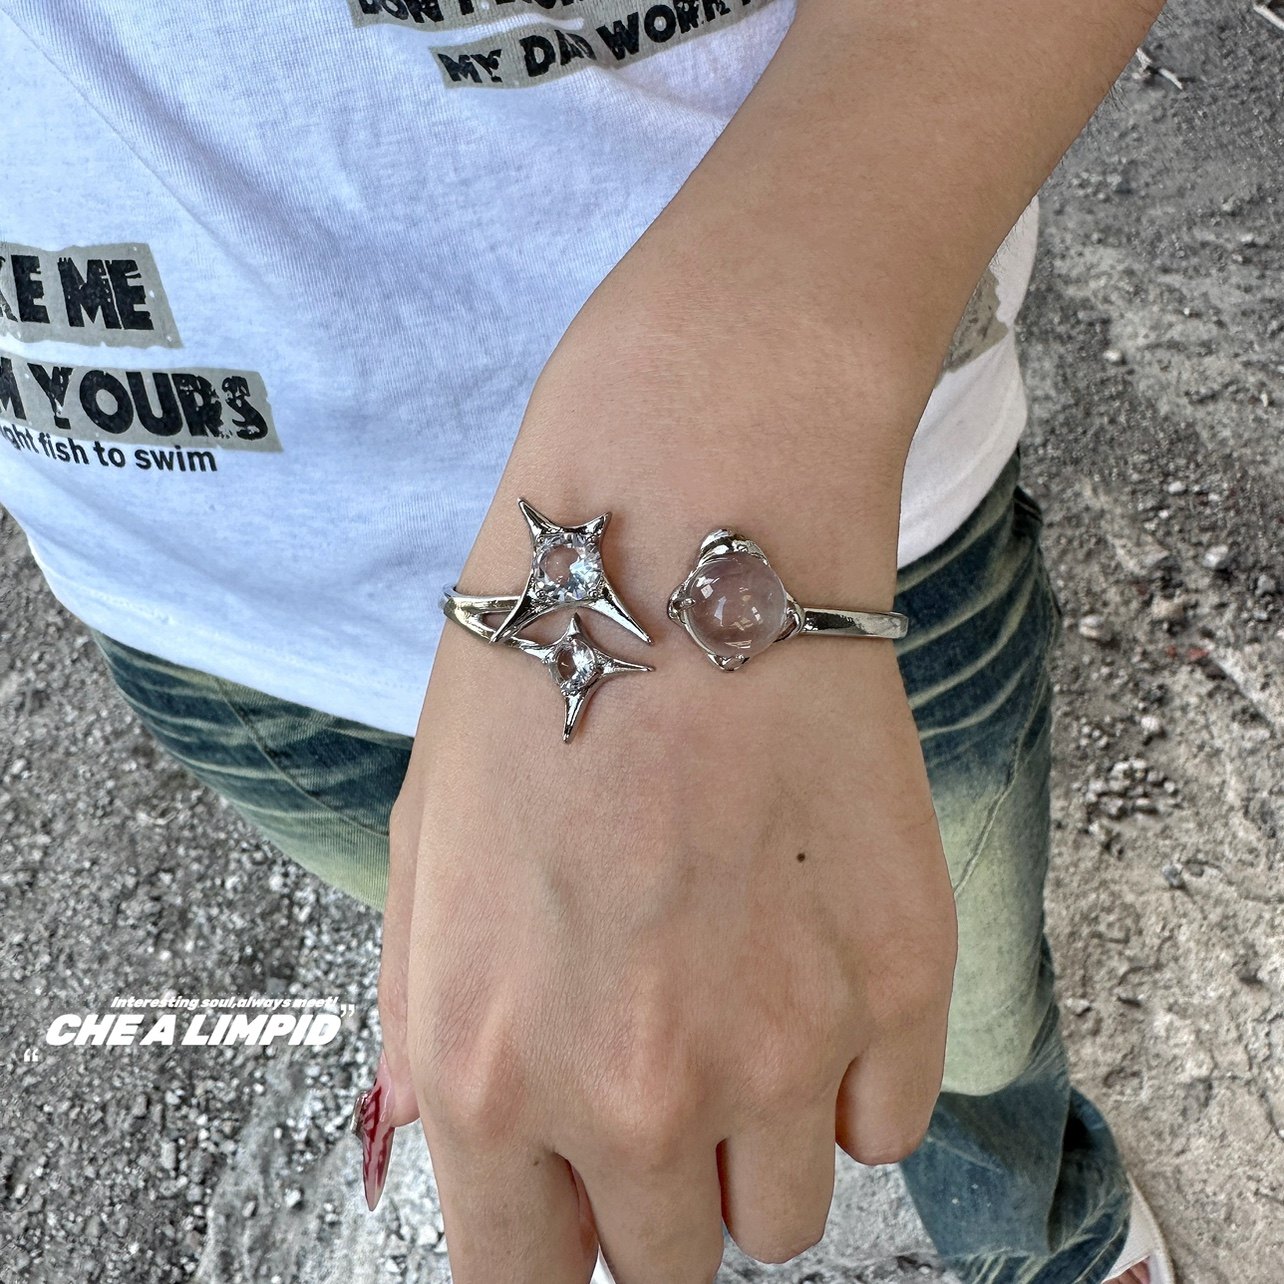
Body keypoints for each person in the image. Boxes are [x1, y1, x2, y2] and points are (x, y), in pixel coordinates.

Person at [0, 1, 1176, 1280]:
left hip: (821, 527)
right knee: (570, 1015)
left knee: (966, 1022)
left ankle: (1043, 1228)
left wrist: (754, 369)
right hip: (214, 597)